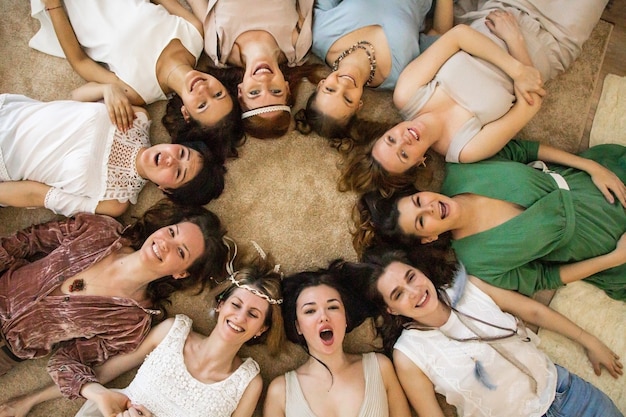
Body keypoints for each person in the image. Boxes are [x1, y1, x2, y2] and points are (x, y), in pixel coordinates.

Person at [341, 0, 608, 194]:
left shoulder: (407, 94)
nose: (404, 140)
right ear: (418, 163)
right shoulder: (465, 149)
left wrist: (516, 70)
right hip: (554, 39)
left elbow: (458, 36)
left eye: (391, 139)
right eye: (403, 154)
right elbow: (531, 103)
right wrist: (515, 42)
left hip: (503, 8)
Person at [1, 245, 285, 417]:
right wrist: (28, 401)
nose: (239, 317)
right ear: (221, 305)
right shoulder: (174, 332)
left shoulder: (249, 381)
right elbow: (103, 374)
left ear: (261, 329)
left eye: (253, 314)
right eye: (236, 304)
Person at [0, 199, 229, 405]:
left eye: (180, 251)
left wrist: (97, 393)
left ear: (182, 273)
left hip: (7, 350)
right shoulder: (100, 230)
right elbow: (29, 241)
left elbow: (67, 360)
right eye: (171, 232)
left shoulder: (132, 323)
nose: (165, 244)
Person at [357, 248, 623, 417]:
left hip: (569, 395)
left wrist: (589, 341)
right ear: (390, 310)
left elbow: (534, 312)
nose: (414, 291)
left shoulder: (469, 287)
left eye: (411, 277)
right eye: (398, 294)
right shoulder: (408, 355)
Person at [356, 139, 626, 301]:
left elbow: (523, 149)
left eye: (418, 202)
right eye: (422, 221)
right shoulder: (478, 264)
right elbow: (546, 277)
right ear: (429, 238)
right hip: (607, 241)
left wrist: (592, 167)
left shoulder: (463, 167)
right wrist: (613, 259)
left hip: (600, 181)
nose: (431, 208)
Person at [30, 0, 244, 151]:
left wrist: (52, 5)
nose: (204, 90)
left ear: (186, 113)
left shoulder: (137, 92)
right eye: (218, 94)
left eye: (202, 105)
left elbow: (79, 61)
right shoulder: (195, 34)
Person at [0, 94, 226, 217]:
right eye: (181, 153)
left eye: (178, 172)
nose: (170, 159)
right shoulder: (138, 116)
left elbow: (39, 196)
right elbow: (75, 98)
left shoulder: (114, 203)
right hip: (9, 113)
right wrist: (108, 89)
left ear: (166, 190)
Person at [263, 262, 411, 417]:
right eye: (310, 311)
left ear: (346, 318)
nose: (323, 317)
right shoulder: (280, 391)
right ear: (298, 326)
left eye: (333, 307)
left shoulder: (380, 367)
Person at [294, 0, 454, 140]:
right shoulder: (401, 76)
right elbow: (440, 35)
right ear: (358, 105)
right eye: (347, 99)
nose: (344, 85)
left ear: (321, 84)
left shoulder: (320, 35)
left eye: (330, 89)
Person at [187, 0, 316, 139]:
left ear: (240, 91)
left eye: (254, 92)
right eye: (276, 91)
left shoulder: (217, 48)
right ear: (287, 87)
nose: (264, 80)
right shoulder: (299, 47)